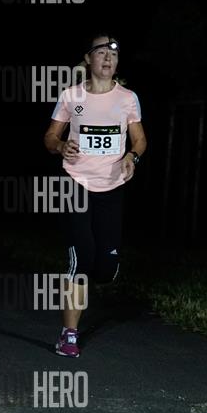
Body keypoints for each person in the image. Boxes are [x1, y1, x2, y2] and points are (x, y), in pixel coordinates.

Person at [43, 33, 147, 357]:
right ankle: (69, 334)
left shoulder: (127, 98)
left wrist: (132, 157)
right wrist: (61, 145)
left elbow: (140, 140)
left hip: (112, 188)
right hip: (75, 183)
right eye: (101, 52)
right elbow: (50, 136)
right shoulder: (71, 96)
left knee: (104, 269)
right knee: (81, 257)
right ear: (88, 59)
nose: (108, 58)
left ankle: (103, 269)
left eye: (113, 54)